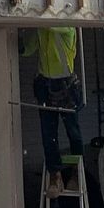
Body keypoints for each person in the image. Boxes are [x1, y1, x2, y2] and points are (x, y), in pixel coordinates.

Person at [20, 26, 85, 190]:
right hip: (45, 84)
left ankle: (76, 173)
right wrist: (20, 45)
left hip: (65, 84)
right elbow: (30, 47)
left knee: (73, 132)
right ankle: (55, 175)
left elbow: (54, 25)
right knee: (48, 134)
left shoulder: (67, 27)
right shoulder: (42, 29)